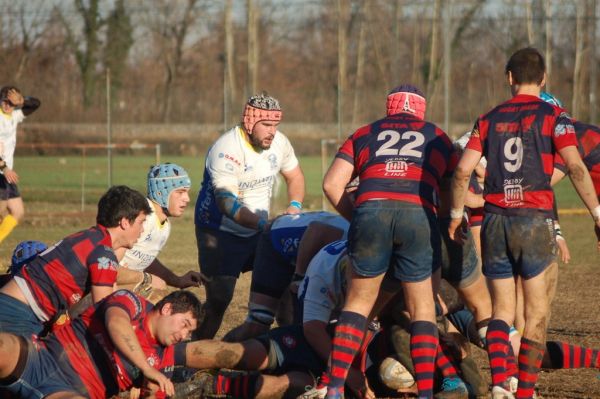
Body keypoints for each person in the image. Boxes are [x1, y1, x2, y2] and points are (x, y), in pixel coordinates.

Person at [448, 47, 600, 399]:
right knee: (536, 314)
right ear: (543, 78)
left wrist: (457, 215)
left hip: (495, 220)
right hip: (535, 220)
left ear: (510, 78)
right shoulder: (554, 116)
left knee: (501, 311)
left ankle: (502, 382)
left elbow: (461, 172)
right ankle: (525, 392)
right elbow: (576, 168)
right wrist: (596, 213)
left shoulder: (487, 118)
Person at [321, 84, 458, 399]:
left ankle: (335, 389)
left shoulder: (364, 132)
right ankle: (425, 393)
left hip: (372, 209)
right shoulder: (438, 136)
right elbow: (450, 194)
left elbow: (331, 184)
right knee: (422, 307)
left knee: (357, 305)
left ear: (390, 107)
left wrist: (358, 217)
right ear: (421, 110)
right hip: (418, 214)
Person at [194, 93, 305, 339]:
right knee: (219, 300)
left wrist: (294, 207)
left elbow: (295, 176)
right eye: (266, 125)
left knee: (285, 296)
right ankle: (189, 359)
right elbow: (227, 204)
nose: (272, 131)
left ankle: (290, 358)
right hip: (219, 232)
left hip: (260, 230)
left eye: (275, 125)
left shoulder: (279, 143)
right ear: (249, 121)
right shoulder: (226, 149)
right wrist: (264, 223)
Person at [0, 185, 151, 337]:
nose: (142, 229)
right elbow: (104, 311)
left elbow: (110, 294)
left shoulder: (92, 237)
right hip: (19, 312)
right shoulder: (102, 252)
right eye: (141, 222)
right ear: (125, 222)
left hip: (21, 309)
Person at [0, 289, 201, 398]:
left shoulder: (164, 359)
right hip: (42, 357)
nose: (183, 335)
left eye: (189, 332)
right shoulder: (133, 302)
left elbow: (152, 394)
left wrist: (150, 392)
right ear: (167, 309)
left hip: (70, 391)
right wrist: (146, 368)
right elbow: (116, 322)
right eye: (184, 324)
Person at [224, 211, 349, 342]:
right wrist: (299, 277)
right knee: (258, 323)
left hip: (308, 254)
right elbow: (316, 230)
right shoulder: (353, 234)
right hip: (277, 241)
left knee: (296, 325)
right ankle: (216, 355)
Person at [115, 163, 206, 302]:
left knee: (160, 289)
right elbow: (106, 265)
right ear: (161, 193)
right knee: (157, 292)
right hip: (101, 285)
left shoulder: (164, 225)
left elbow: (146, 259)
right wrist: (147, 279)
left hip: (119, 283)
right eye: (180, 192)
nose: (187, 198)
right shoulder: (141, 217)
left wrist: (178, 280)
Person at [0, 86, 40, 244]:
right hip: (2, 171)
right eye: (5, 101)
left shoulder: (15, 116)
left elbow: (36, 104)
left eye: (11, 103)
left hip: (6, 173)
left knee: (17, 212)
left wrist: (22, 101)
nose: (7, 105)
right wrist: (4, 167)